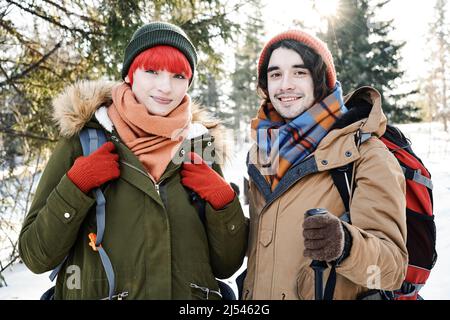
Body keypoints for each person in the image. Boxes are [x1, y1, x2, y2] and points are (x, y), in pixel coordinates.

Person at [18, 22, 247, 300]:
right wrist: (75, 187)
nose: (165, 86)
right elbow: (36, 256)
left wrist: (223, 203)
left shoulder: (200, 147)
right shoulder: (84, 141)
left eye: (178, 75)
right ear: (130, 74)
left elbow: (226, 266)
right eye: (152, 71)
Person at [242, 30, 408, 300]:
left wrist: (346, 245)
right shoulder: (263, 152)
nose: (285, 85)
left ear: (320, 80)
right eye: (275, 74)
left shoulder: (365, 155)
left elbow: (391, 271)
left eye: (299, 72)